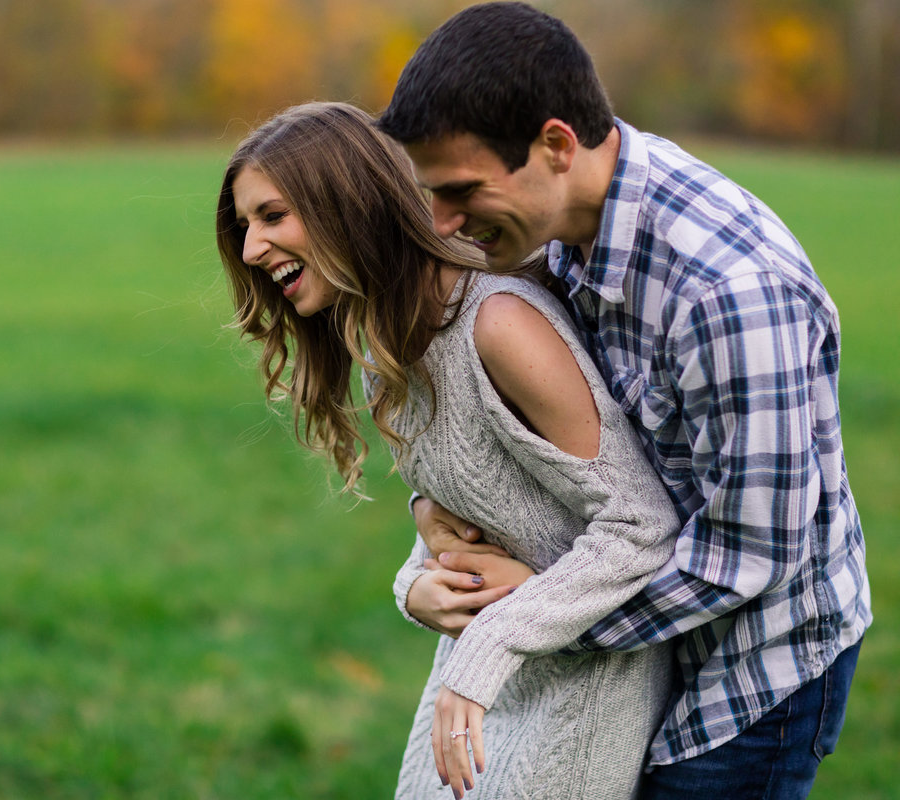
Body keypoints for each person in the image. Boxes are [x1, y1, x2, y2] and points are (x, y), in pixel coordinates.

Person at [375, 3, 872, 798]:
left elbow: (745, 557)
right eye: (428, 192)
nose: (440, 223)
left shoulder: (729, 291)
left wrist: (529, 621)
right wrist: (432, 530)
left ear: (556, 145)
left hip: (746, 674)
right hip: (631, 645)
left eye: (461, 189)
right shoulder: (554, 229)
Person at [216, 101, 682, 799]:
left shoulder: (497, 324)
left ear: (350, 205)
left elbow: (641, 526)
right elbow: (477, 513)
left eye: (272, 217)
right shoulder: (388, 343)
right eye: (245, 227)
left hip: (576, 700)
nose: (252, 249)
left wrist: (484, 655)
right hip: (477, 696)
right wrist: (416, 588)